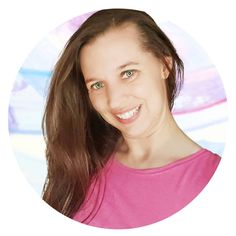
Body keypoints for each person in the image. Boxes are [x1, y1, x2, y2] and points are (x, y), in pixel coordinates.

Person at [42, 8, 221, 229]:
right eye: (97, 85)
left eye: (128, 73)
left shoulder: (214, 180)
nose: (115, 101)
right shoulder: (81, 162)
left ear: (165, 65)